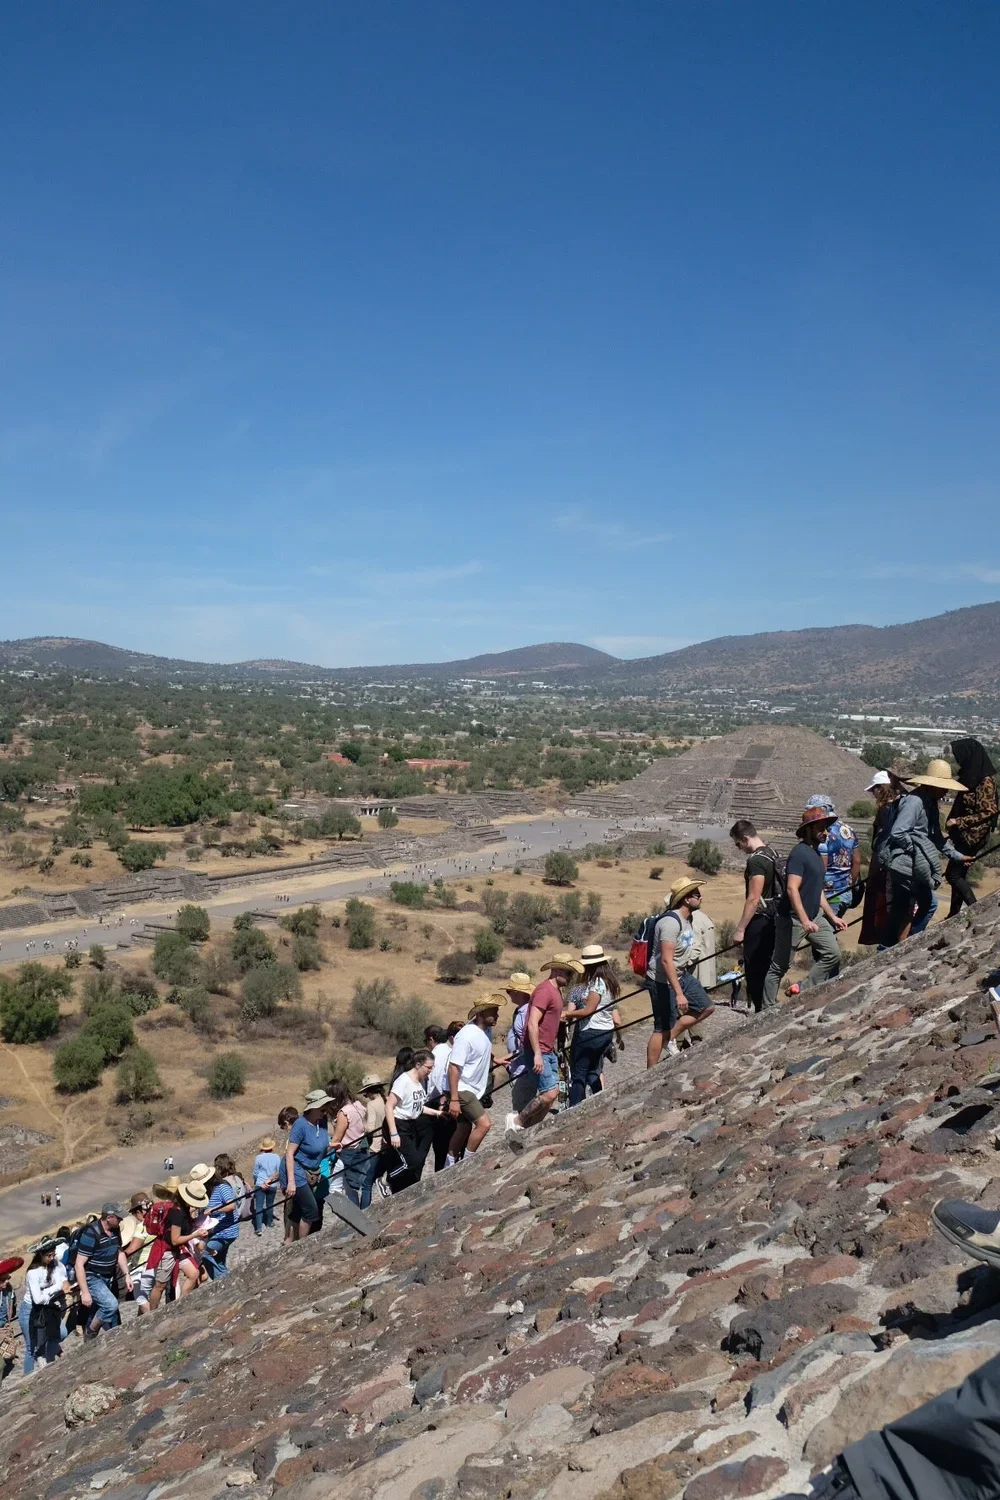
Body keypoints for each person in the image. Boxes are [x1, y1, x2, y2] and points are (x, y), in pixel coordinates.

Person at [877, 760, 969, 947]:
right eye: (942, 788)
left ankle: (905, 942)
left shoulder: (930, 804)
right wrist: (915, 849)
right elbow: (899, 832)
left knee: (914, 905)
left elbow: (935, 836)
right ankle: (891, 946)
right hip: (904, 863)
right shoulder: (915, 802)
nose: (945, 792)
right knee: (906, 907)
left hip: (914, 863)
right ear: (931, 785)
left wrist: (958, 856)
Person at [763, 808, 848, 1008]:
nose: (826, 832)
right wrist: (804, 920)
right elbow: (792, 888)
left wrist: (832, 917)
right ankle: (766, 1009)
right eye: (821, 828)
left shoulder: (816, 854)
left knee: (833, 953)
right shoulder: (799, 853)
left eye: (826, 828)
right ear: (809, 829)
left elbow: (818, 892)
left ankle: (805, 990)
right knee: (779, 966)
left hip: (814, 916)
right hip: (792, 918)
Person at [505, 954, 584, 1142]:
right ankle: (516, 1121)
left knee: (552, 1093)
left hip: (546, 1049)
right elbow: (532, 1023)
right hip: (537, 1049)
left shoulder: (556, 992)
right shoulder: (544, 991)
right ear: (556, 970)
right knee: (549, 1093)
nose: (570, 977)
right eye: (567, 972)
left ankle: (531, 1131)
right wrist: (537, 1054)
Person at [645, 882, 717, 1062]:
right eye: (697, 895)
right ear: (686, 899)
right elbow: (666, 960)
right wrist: (679, 993)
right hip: (662, 980)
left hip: (681, 974)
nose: (701, 898)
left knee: (706, 1007)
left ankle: (671, 1037)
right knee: (660, 1028)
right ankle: (649, 1072)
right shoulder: (670, 922)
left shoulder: (688, 919)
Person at [729, 820, 782, 1012]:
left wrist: (740, 929)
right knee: (769, 966)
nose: (738, 848)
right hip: (775, 918)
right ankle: (767, 1006)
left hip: (760, 921)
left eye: (738, 844)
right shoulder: (773, 853)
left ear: (745, 839)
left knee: (755, 970)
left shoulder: (756, 860)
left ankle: (762, 1011)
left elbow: (753, 898)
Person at [946, 738, 998, 915]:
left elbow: (989, 811)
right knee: (958, 875)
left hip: (973, 837)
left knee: (952, 875)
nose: (957, 759)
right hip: (965, 835)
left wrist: (959, 821)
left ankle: (975, 910)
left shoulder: (984, 781)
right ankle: (953, 913)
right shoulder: (971, 775)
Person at [564, 946, 620, 1104]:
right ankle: (600, 1101)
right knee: (593, 1070)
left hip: (591, 1031)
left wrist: (568, 1014)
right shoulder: (609, 982)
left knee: (578, 1073)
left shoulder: (597, 983)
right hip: (605, 1031)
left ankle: (574, 1108)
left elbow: (589, 1011)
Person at [446, 999, 501, 1156]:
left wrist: (496, 1059)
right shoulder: (466, 1036)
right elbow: (454, 1067)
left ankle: (449, 1163)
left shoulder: (486, 1031)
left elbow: (480, 1050)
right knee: (484, 1124)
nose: (497, 1015)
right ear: (482, 1014)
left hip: (470, 1087)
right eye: (494, 1012)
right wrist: (455, 1099)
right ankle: (468, 1161)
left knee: (463, 1127)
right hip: (462, 1088)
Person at [385, 1050, 441, 1189]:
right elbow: (389, 1106)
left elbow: (417, 1107)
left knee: (417, 1161)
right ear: (418, 1064)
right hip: (400, 1125)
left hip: (412, 1125)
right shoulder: (404, 1081)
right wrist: (394, 1133)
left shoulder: (419, 1082)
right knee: (412, 1162)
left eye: (432, 1067)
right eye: (428, 1067)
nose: (430, 1071)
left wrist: (437, 1113)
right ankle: (386, 1180)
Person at [147, 1179, 208, 1307]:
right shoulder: (177, 1214)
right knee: (160, 1285)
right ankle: (152, 1313)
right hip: (167, 1250)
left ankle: (180, 1305)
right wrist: (195, 1235)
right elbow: (175, 1240)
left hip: (177, 1249)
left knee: (194, 1273)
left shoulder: (182, 1210)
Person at [74, 1202, 132, 1339]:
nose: (121, 1220)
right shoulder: (91, 1234)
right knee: (110, 1305)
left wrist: (127, 1275)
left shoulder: (115, 1230)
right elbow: (79, 1264)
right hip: (93, 1277)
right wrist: (85, 1292)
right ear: (109, 1217)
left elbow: (120, 1252)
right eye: (118, 1218)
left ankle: (90, 1342)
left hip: (108, 1277)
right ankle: (91, 1331)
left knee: (98, 1312)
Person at [859, 771, 901, 946]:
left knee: (880, 899)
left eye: (874, 789)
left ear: (880, 789)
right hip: (889, 862)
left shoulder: (885, 810)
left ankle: (883, 939)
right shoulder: (898, 807)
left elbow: (881, 840)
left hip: (882, 863)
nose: (873, 794)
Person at [285, 1090, 334, 1238]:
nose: (326, 1110)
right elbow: (289, 1153)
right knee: (311, 1210)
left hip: (314, 1171)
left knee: (299, 1210)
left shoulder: (322, 1122)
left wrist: (334, 1145)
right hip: (299, 1169)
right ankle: (302, 1244)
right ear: (313, 1108)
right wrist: (291, 1182)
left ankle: (291, 1240)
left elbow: (321, 1145)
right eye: (323, 1107)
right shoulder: (300, 1125)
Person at [807, 794, 861, 920]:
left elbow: (820, 866)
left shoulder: (823, 832)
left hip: (828, 895)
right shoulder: (849, 829)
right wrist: (848, 885)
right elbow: (857, 861)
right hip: (845, 893)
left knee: (824, 934)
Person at [25, 1239, 68, 1365]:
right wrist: (50, 1292)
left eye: (53, 1254)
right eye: (48, 1255)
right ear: (41, 1255)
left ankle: (49, 1358)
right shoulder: (33, 1272)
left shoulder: (53, 1265)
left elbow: (60, 1284)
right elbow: (37, 1299)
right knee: (31, 1347)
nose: (51, 1258)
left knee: (61, 1333)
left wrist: (46, 1293)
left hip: (48, 1306)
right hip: (31, 1309)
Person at [328, 1084, 371, 1207]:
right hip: (360, 1149)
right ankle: (356, 1214)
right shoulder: (358, 1106)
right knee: (351, 1188)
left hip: (347, 1153)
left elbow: (337, 1138)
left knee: (334, 1188)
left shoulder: (344, 1112)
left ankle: (347, 1216)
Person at [204, 1154, 243, 1277]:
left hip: (226, 1231)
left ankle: (224, 1281)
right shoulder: (211, 1190)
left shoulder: (222, 1187)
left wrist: (214, 1209)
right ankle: (225, 1280)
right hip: (218, 1230)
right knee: (219, 1260)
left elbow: (231, 1206)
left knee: (205, 1252)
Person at [502, 974, 535, 1114]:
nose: (508, 995)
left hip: (523, 1069)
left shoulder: (525, 1013)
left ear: (517, 992)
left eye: (509, 991)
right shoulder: (522, 1010)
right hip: (519, 1067)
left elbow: (528, 1041)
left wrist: (511, 1056)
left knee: (524, 1110)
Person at [119, 1192, 156, 1314]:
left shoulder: (142, 1226)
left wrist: (119, 1255)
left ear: (139, 1212)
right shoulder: (158, 1221)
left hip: (143, 1266)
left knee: (141, 1299)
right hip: (157, 1262)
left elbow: (132, 1249)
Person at [357, 1076, 388, 1209]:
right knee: (381, 1176)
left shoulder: (372, 1105)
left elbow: (371, 1128)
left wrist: (361, 1125)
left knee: (366, 1184)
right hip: (388, 1145)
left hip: (375, 1146)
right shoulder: (386, 1101)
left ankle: (364, 1212)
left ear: (369, 1091)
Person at [275, 1106, 300, 1243]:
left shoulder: (295, 1136)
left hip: (293, 1183)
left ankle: (291, 1239)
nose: (285, 1130)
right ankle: (289, 1237)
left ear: (286, 1122)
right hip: (287, 1183)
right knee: (289, 1212)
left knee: (291, 1213)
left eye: (284, 1127)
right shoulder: (292, 1136)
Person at [251, 1137, 281, 1236]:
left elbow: (255, 1172)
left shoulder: (258, 1158)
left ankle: (258, 1228)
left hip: (260, 1183)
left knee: (259, 1206)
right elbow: (279, 1171)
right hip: (272, 1183)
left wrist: (255, 1181)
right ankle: (269, 1222)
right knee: (270, 1204)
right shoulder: (276, 1157)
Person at [0, 1257, 24, 1380]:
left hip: (3, 1329)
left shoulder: (8, 1290)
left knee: (7, 1359)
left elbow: (11, 1310)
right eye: (2, 1280)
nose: (5, 1283)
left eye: (7, 1279)